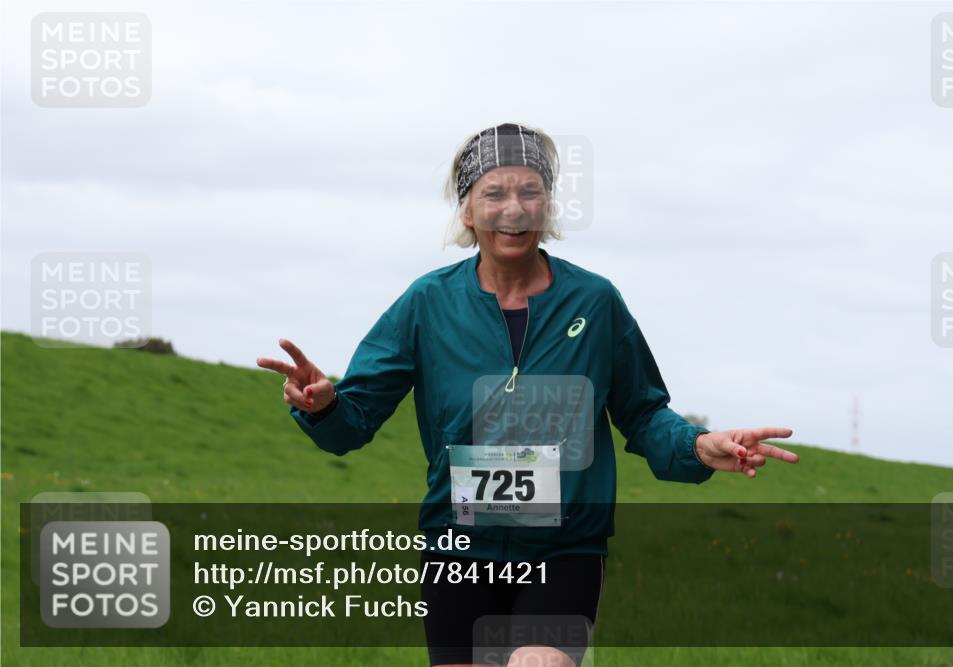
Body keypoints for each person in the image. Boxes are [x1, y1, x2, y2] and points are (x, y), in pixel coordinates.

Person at [257, 123, 800, 667]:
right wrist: (324, 407)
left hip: (564, 549)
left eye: (529, 192)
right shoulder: (427, 304)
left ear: (548, 206)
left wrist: (699, 446)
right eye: (493, 193)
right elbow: (355, 421)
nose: (513, 209)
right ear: (467, 211)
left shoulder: (595, 301)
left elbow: (642, 412)